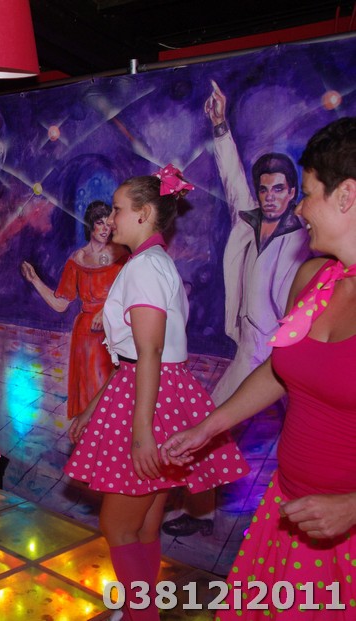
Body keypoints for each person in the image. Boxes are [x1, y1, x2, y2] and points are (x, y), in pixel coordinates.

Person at [162, 117, 356, 620]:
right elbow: (278, 370)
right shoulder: (314, 278)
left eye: (306, 194)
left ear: (346, 196)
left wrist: (352, 506)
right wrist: (209, 427)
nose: (300, 208)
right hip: (287, 511)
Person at [63, 166, 249, 621]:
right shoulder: (153, 263)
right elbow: (133, 356)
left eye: (119, 210)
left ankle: (140, 613)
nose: (111, 219)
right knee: (145, 525)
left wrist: (142, 433)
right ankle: (139, 608)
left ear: (145, 214)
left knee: (117, 526)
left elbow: (148, 352)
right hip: (156, 391)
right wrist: (92, 408)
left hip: (148, 399)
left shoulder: (144, 268)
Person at [163, 82, 313, 539]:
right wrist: (219, 124)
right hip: (253, 350)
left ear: (292, 193)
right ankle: (201, 513)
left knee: (314, 433)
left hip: (290, 352)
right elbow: (231, 175)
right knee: (209, 425)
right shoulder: (248, 221)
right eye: (264, 188)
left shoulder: (306, 236)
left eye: (279, 189)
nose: (269, 196)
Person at [20, 200, 128, 419]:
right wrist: (35, 281)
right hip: (86, 336)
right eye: (100, 223)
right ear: (90, 225)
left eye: (108, 223)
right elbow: (61, 304)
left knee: (114, 396)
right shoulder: (77, 259)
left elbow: (131, 294)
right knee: (89, 394)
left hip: (114, 330)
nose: (105, 228)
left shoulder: (122, 255)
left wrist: (107, 311)